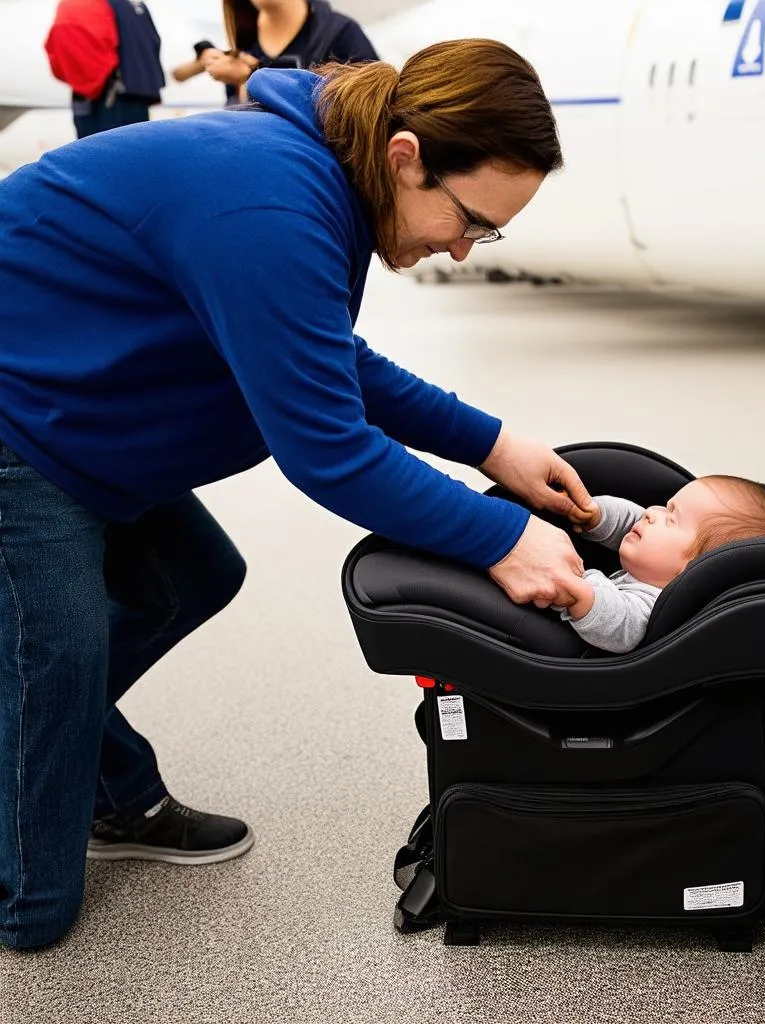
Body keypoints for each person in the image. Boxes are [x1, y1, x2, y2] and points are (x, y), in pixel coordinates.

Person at [0, 40, 593, 950]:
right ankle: (40, 796)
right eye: (470, 218)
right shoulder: (270, 200)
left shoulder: (322, 183)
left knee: (189, 580)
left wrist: (495, 445)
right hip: (19, 424)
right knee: (39, 907)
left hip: (79, 418)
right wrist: (502, 537)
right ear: (405, 155)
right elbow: (327, 450)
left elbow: (326, 357)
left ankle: (71, 761)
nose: (465, 251)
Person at [557, 476, 765, 653]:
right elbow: (633, 522)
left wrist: (578, 582)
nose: (651, 512)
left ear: (696, 568)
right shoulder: (659, 564)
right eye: (666, 506)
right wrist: (596, 516)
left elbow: (617, 622)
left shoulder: (650, 607)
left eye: (671, 519)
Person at [178, 0, 378, 106]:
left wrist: (250, 78)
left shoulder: (342, 33)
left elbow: (372, 108)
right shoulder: (244, 45)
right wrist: (241, 85)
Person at [44, 0, 165, 139]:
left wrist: (87, 85)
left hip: (105, 99)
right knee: (134, 154)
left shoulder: (81, 4)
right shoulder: (135, 4)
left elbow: (64, 46)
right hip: (129, 97)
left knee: (96, 155)